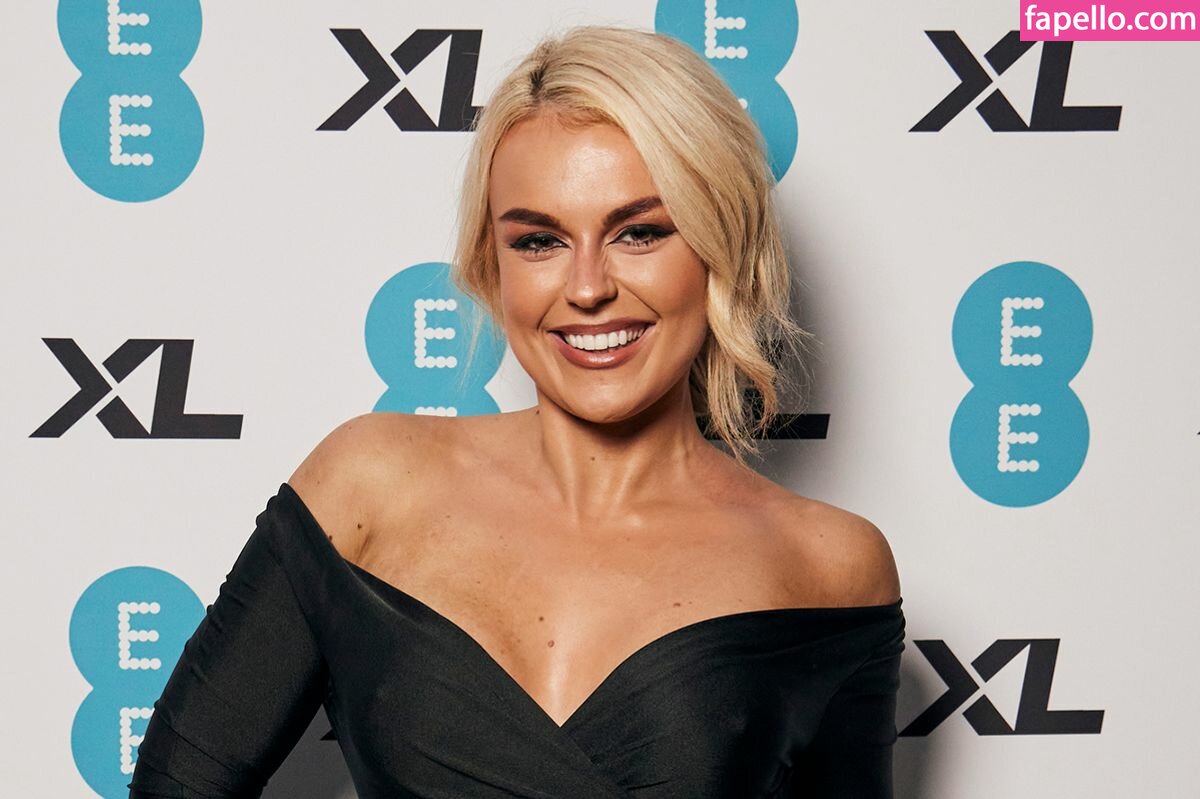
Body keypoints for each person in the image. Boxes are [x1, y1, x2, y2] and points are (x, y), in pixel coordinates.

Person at [129, 24, 903, 799]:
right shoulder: (370, 484)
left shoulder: (829, 565)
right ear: (492, 262)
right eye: (539, 241)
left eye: (639, 232)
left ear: (718, 242)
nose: (589, 287)